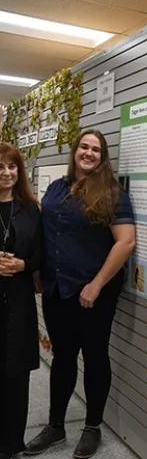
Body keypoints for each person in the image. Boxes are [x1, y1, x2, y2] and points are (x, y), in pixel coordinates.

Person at [25, 129, 136, 459]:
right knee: (62, 357)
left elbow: (126, 241)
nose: (89, 153)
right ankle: (55, 426)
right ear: (76, 150)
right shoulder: (58, 188)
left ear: (103, 157)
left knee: (95, 356)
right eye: (84, 147)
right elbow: (46, 231)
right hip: (57, 287)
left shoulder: (112, 192)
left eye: (96, 150)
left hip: (93, 291)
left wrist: (97, 283)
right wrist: (36, 270)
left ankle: (92, 427)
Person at [0, 143, 42, 459]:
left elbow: (41, 254)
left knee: (17, 376)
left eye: (12, 166)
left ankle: (13, 442)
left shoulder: (30, 208)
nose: (6, 173)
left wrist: (24, 265)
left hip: (19, 303)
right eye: (0, 167)